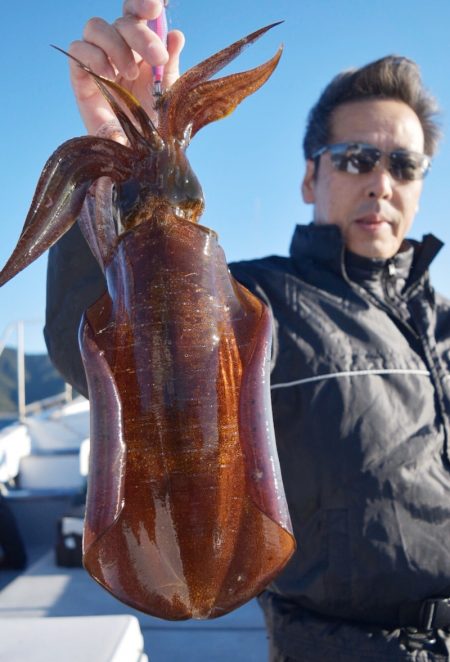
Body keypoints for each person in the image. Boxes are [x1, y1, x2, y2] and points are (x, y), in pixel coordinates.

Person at [44, 1, 450, 660]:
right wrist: (115, 170)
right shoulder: (252, 303)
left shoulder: (443, 322)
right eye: (355, 158)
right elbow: (90, 341)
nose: (381, 183)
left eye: (404, 166)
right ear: (309, 176)